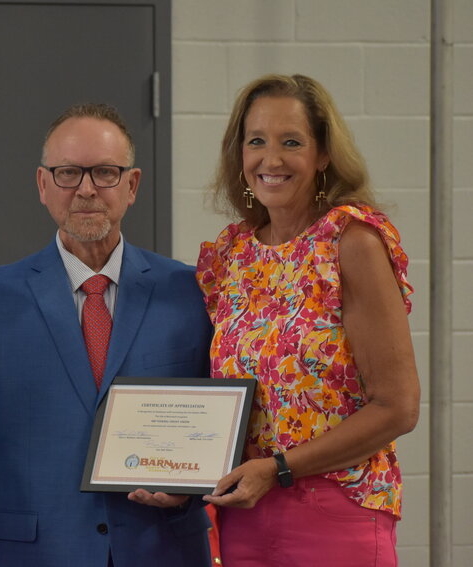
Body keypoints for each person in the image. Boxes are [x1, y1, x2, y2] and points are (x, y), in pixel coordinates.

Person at [0, 103, 214, 567]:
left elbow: (220, 432)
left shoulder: (190, 292)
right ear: (43, 185)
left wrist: (190, 489)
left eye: (104, 172)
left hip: (162, 551)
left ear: (132, 185)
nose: (86, 189)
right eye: (67, 173)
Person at [196, 74, 420, 566]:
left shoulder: (351, 242)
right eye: (256, 141)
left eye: (290, 142)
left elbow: (397, 407)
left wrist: (278, 469)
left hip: (336, 511)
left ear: (322, 155)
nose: (270, 160)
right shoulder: (232, 256)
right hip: (242, 517)